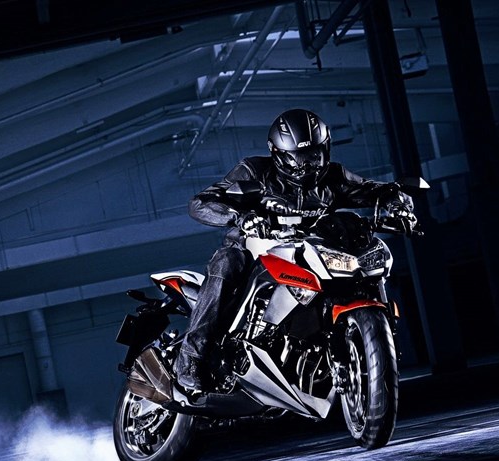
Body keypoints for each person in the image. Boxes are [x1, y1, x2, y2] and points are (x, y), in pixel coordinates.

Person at [173, 108, 416, 392]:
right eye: (298, 158)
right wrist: (240, 217)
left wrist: (398, 202)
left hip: (310, 251)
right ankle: (191, 358)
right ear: (278, 154)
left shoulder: (333, 177)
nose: (307, 165)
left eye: (314, 155)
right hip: (257, 247)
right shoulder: (255, 170)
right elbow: (201, 203)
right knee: (226, 266)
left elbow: (375, 189)